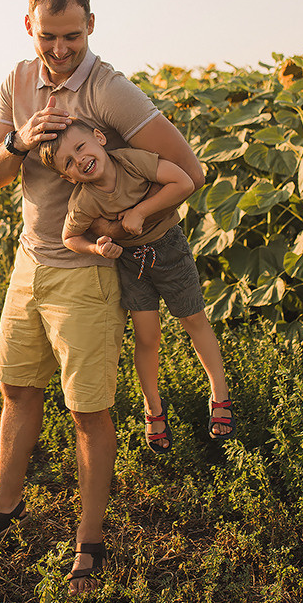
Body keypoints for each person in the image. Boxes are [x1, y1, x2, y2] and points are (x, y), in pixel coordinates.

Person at [0, 0, 205, 595]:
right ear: (30, 28)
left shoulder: (110, 91)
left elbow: (190, 169)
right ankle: (3, 505)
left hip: (88, 277)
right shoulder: (17, 82)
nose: (61, 47)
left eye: (72, 35)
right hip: (31, 265)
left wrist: (129, 223)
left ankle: (89, 543)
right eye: (49, 35)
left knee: (88, 411)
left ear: (91, 26)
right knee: (17, 390)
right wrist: (21, 142)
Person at [39, 121, 235, 453]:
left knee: (193, 320)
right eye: (69, 163)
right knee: (148, 337)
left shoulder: (131, 161)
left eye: (81, 147)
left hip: (170, 249)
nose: (80, 159)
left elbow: (183, 181)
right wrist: (97, 248)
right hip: (133, 264)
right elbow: (70, 237)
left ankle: (220, 394)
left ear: (99, 139)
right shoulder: (84, 200)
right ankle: (153, 408)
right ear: (68, 178)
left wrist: (139, 212)